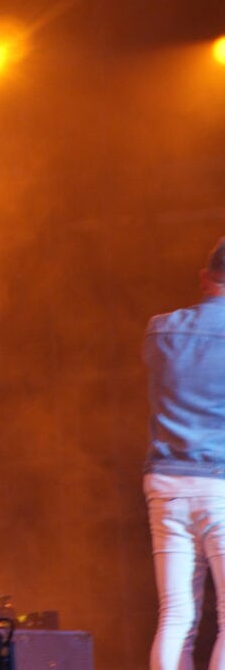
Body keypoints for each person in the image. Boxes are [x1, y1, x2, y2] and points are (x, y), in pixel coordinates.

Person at [144, 237, 225, 669]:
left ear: (205, 276)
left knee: (175, 615)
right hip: (219, 482)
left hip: (166, 482)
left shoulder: (160, 331)